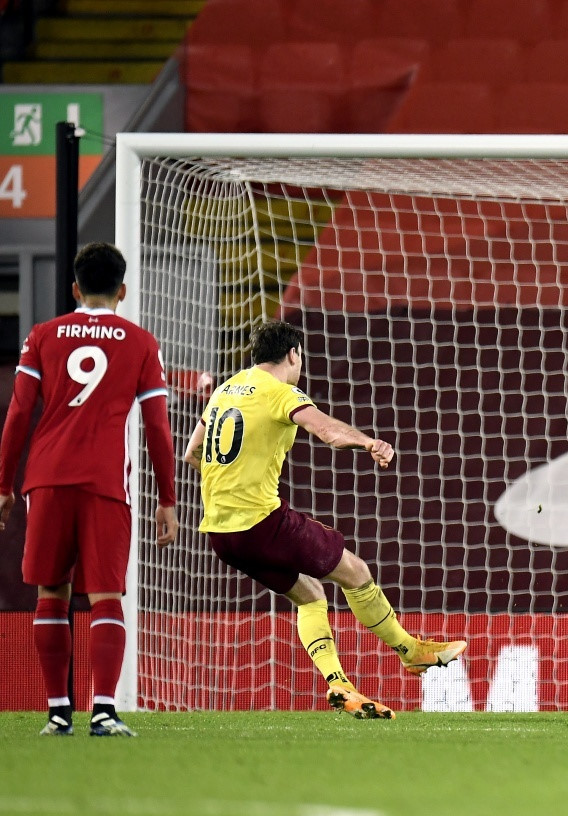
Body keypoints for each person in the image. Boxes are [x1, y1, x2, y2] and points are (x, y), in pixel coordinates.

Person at [185, 320, 466, 720]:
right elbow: (326, 431)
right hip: (261, 523)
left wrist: (230, 483)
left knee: (310, 594)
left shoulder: (224, 391)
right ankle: (412, 652)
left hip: (220, 533)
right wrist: (368, 442)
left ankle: (339, 684)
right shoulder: (280, 392)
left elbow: (192, 453)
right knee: (355, 571)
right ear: (293, 355)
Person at [0, 242, 179, 737]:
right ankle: (103, 708)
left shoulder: (43, 336)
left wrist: (4, 485)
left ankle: (59, 713)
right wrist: (167, 498)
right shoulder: (141, 343)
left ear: (74, 288)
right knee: (106, 595)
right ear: (122, 290)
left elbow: (18, 415)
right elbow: (158, 429)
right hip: (105, 482)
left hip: (47, 478)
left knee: (50, 593)